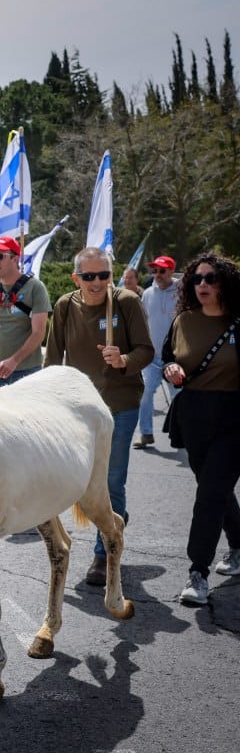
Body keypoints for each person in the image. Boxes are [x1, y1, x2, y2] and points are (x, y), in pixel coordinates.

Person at [44, 247, 153, 586]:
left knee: (111, 480)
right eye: (88, 276)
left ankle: (103, 553)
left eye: (103, 275)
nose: (96, 282)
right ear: (76, 278)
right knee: (77, 480)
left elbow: (146, 350)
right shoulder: (65, 306)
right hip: (78, 409)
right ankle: (115, 517)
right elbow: (52, 361)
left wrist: (124, 360)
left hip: (120, 403)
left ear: (111, 275)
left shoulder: (126, 302)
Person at [162, 252, 240, 606]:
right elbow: (168, 357)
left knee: (210, 493)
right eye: (196, 279)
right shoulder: (183, 320)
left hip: (233, 417)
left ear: (225, 283)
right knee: (214, 488)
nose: (202, 284)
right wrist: (171, 369)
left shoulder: (237, 321)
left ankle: (198, 573)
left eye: (211, 278)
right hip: (193, 415)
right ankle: (238, 545)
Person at [0, 236, 52, 389]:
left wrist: (14, 360)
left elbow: (38, 333)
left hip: (28, 373)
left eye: (0, 256)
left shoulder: (35, 288)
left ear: (15, 259)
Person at [135, 256, 181, 449]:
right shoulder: (147, 294)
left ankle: (182, 434)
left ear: (171, 271)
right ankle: (146, 433)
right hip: (152, 358)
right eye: (155, 271)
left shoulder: (182, 292)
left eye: (162, 271)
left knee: (179, 398)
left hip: (176, 358)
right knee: (144, 394)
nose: (157, 275)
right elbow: (142, 322)